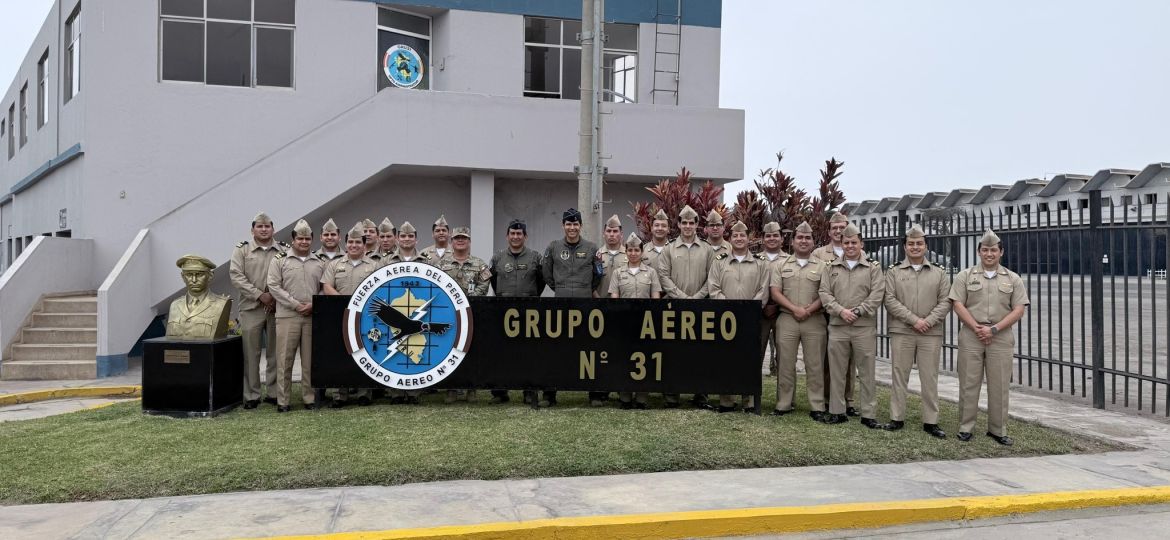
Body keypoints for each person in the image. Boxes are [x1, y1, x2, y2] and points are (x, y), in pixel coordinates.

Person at [950, 229, 1029, 446]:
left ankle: (997, 429)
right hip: (971, 335)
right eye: (985, 250)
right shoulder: (965, 276)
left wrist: (993, 329)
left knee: (1000, 385)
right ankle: (966, 427)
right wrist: (977, 328)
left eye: (993, 250)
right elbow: (957, 304)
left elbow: (1019, 309)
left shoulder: (1013, 279)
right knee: (968, 383)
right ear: (979, 252)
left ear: (1001, 252)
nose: (989, 254)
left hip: (1000, 337)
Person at [884, 224, 952, 439]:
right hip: (902, 330)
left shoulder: (939, 273)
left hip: (930, 332)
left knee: (929, 377)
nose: (915, 247)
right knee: (899, 374)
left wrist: (927, 322)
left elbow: (946, 301)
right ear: (905, 247)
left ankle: (931, 421)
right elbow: (889, 300)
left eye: (919, 243)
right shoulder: (894, 271)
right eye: (911, 244)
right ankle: (896, 417)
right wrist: (914, 321)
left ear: (926, 246)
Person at [818, 223, 885, 428]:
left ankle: (868, 413)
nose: (850, 246)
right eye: (846, 243)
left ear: (861, 244)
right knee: (837, 371)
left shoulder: (873, 267)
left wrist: (858, 311)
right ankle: (837, 411)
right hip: (838, 326)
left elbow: (877, 294)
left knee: (866, 372)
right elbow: (824, 293)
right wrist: (841, 311)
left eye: (854, 242)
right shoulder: (831, 267)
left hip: (863, 327)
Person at [541, 208, 602, 407]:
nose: (572, 228)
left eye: (575, 224)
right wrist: (561, 288)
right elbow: (546, 274)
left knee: (588, 348)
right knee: (556, 349)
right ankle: (550, 394)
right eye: (568, 224)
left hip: (585, 305)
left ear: (580, 226)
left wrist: (586, 289)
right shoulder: (553, 247)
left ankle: (594, 394)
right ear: (563, 226)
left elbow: (598, 274)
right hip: (561, 304)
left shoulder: (592, 248)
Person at [656, 204, 715, 409]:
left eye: (691, 223)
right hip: (674, 307)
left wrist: (698, 297)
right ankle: (671, 395)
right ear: (679, 225)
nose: (688, 226)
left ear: (697, 225)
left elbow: (712, 277)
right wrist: (681, 297)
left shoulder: (707, 249)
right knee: (672, 352)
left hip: (701, 308)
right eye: (684, 223)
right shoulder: (669, 248)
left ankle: (701, 394)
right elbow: (663, 276)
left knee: (700, 352)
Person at [769, 221, 828, 420]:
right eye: (800, 237)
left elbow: (826, 293)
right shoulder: (781, 265)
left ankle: (817, 405)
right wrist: (795, 309)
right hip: (787, 318)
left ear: (813, 242)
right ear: (792, 241)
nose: (803, 241)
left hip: (814, 319)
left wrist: (808, 310)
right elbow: (775, 292)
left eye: (807, 238)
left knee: (815, 364)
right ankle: (784, 403)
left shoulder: (823, 267)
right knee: (785, 363)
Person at [708, 221, 768, 412]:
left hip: (751, 319)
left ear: (748, 238)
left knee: (749, 359)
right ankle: (726, 400)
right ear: (730, 239)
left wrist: (749, 310)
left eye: (742, 235)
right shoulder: (719, 261)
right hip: (726, 319)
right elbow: (714, 288)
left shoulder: (760, 263)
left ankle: (748, 401)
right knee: (725, 358)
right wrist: (729, 308)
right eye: (735, 236)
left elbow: (764, 290)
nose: (739, 238)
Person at [266, 219, 326, 412]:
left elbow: (325, 287)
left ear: (312, 240)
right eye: (300, 238)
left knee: (309, 360)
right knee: (285, 359)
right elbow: (273, 286)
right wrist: (295, 304)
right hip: (287, 316)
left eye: (307, 239)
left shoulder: (319, 261)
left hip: (311, 316)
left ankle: (309, 398)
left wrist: (313, 304)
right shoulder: (280, 260)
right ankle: (283, 401)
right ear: (293, 239)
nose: (304, 242)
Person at [229, 211, 286, 409]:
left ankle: (273, 392)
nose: (263, 229)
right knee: (250, 354)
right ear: (252, 230)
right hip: (251, 308)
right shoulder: (242, 250)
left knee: (275, 353)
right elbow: (236, 276)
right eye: (259, 226)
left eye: (267, 226)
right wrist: (260, 295)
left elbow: (287, 276)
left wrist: (274, 297)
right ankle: (251, 395)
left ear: (273, 229)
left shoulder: (283, 250)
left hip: (276, 308)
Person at [321, 223, 380, 408]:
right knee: (340, 353)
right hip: (341, 316)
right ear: (346, 244)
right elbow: (327, 286)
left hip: (366, 317)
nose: (354, 245)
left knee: (366, 352)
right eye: (351, 242)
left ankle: (364, 393)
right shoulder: (335, 264)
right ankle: (340, 395)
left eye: (358, 242)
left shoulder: (374, 265)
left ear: (364, 245)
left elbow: (379, 289)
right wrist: (344, 303)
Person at [488, 219, 545, 404]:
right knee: (501, 352)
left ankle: (528, 391)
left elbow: (541, 282)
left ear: (525, 236)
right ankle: (500, 392)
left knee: (528, 352)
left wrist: (530, 296)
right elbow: (494, 282)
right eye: (512, 233)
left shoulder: (535, 257)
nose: (515, 237)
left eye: (519, 234)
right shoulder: (497, 258)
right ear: (507, 236)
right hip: (503, 311)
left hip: (529, 312)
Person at [608, 232, 661, 409]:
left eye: (636, 250)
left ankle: (641, 398)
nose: (633, 253)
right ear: (626, 252)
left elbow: (656, 300)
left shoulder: (651, 273)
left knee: (644, 359)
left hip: (646, 324)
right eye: (630, 250)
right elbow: (614, 300)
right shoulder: (618, 273)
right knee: (624, 359)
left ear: (641, 252)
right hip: (624, 323)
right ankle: (624, 396)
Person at [438, 226, 491, 403]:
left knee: (471, 351)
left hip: (472, 314)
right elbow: (436, 287)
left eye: (464, 238)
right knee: (449, 350)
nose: (460, 240)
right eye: (457, 238)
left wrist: (465, 301)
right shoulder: (441, 265)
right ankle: (451, 388)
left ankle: (471, 388)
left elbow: (484, 286)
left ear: (469, 242)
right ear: (451, 241)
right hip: (449, 315)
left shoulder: (479, 264)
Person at [813, 211, 857, 415]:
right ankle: (827, 398)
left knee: (849, 361)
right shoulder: (819, 254)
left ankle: (848, 400)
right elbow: (818, 286)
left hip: (851, 315)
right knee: (826, 360)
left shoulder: (858, 252)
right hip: (826, 313)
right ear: (829, 232)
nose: (839, 231)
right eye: (835, 228)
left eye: (842, 227)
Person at [166, 255, 231, 340]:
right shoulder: (175, 305)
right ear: (183, 277)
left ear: (210, 276)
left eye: (199, 274)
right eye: (189, 274)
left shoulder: (221, 304)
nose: (194, 280)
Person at [757, 221, 786, 376]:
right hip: (759, 313)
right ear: (763, 239)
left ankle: (785, 392)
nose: (772, 238)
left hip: (782, 313)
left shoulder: (789, 260)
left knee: (784, 357)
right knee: (755, 354)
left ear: (782, 239)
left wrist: (777, 305)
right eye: (768, 236)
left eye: (775, 235)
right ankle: (752, 392)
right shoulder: (754, 259)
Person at [595, 214, 629, 298]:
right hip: (601, 302)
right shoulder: (596, 255)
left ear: (621, 234)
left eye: (615, 231)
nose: (611, 234)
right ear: (604, 234)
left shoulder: (629, 255)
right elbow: (591, 282)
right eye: (609, 231)